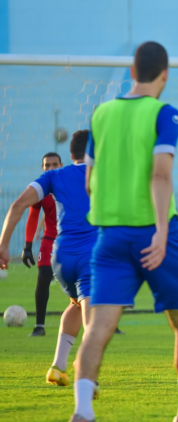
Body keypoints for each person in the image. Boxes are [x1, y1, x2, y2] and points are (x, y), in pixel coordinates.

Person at [73, 41, 178, 422]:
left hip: (109, 237)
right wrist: (159, 230)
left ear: (132, 72)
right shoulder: (164, 114)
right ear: (165, 75)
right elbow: (160, 174)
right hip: (156, 235)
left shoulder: (101, 114)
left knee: (98, 327)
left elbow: (88, 181)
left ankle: (83, 411)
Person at [0, 131, 99, 389]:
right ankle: (87, 377)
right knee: (95, 316)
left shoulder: (54, 176)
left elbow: (17, 206)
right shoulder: (102, 173)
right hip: (90, 255)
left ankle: (58, 366)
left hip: (61, 257)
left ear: (71, 154)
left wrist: (3, 245)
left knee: (75, 305)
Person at [23, 152, 61, 337]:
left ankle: (107, 325)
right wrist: (27, 246)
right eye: (47, 165)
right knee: (43, 278)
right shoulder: (40, 190)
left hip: (72, 239)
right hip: (49, 240)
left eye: (55, 164)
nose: (51, 168)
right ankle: (39, 326)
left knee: (89, 280)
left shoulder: (70, 183)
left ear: (61, 165)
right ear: (42, 168)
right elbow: (33, 216)